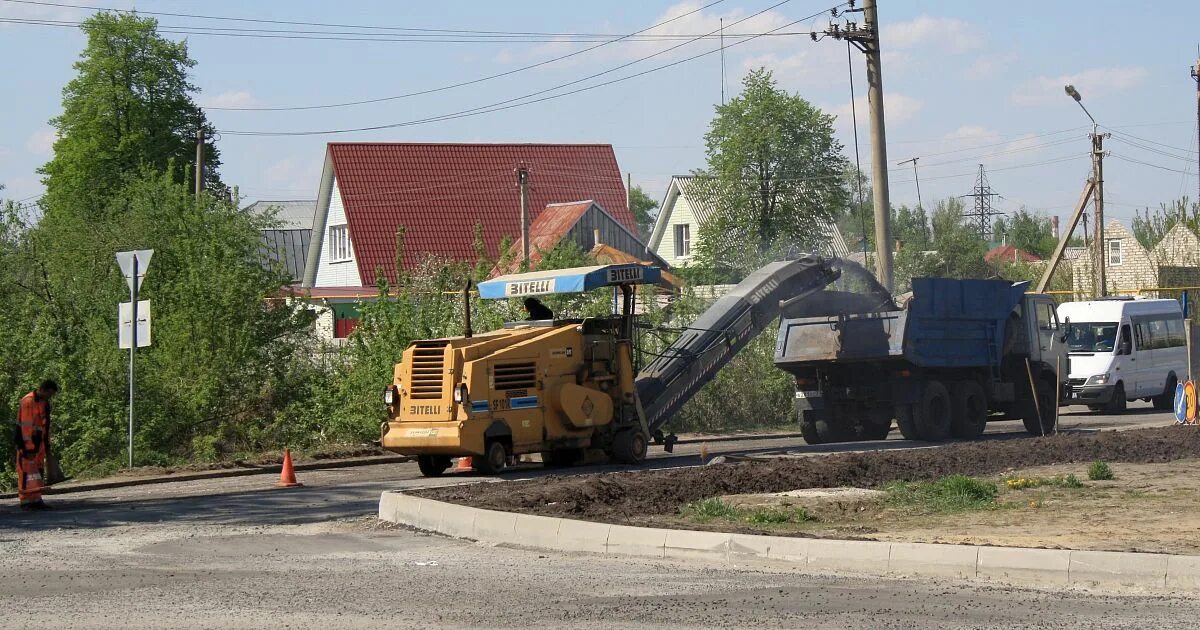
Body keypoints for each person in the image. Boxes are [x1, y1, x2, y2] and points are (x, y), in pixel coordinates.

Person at [14, 380, 58, 510]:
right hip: (28, 445)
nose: (50, 397)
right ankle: (26, 501)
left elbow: (43, 424)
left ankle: (36, 499)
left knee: (36, 473)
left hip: (38, 444)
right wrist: (29, 447)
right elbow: (26, 428)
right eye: (49, 394)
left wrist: (45, 443)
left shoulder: (43, 402)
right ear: (42, 389)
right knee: (26, 473)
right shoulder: (28, 401)